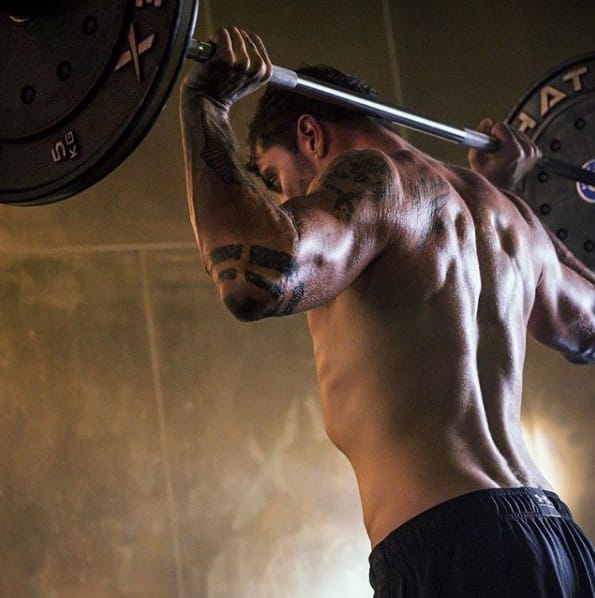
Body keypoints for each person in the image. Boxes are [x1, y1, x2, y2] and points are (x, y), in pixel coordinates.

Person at [179, 26, 595, 597]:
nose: (286, 203)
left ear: (310, 135)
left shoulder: (374, 177)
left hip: (455, 548)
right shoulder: (509, 216)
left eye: (275, 179)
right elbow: (588, 327)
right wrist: (511, 192)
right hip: (558, 541)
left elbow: (253, 279)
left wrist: (205, 105)